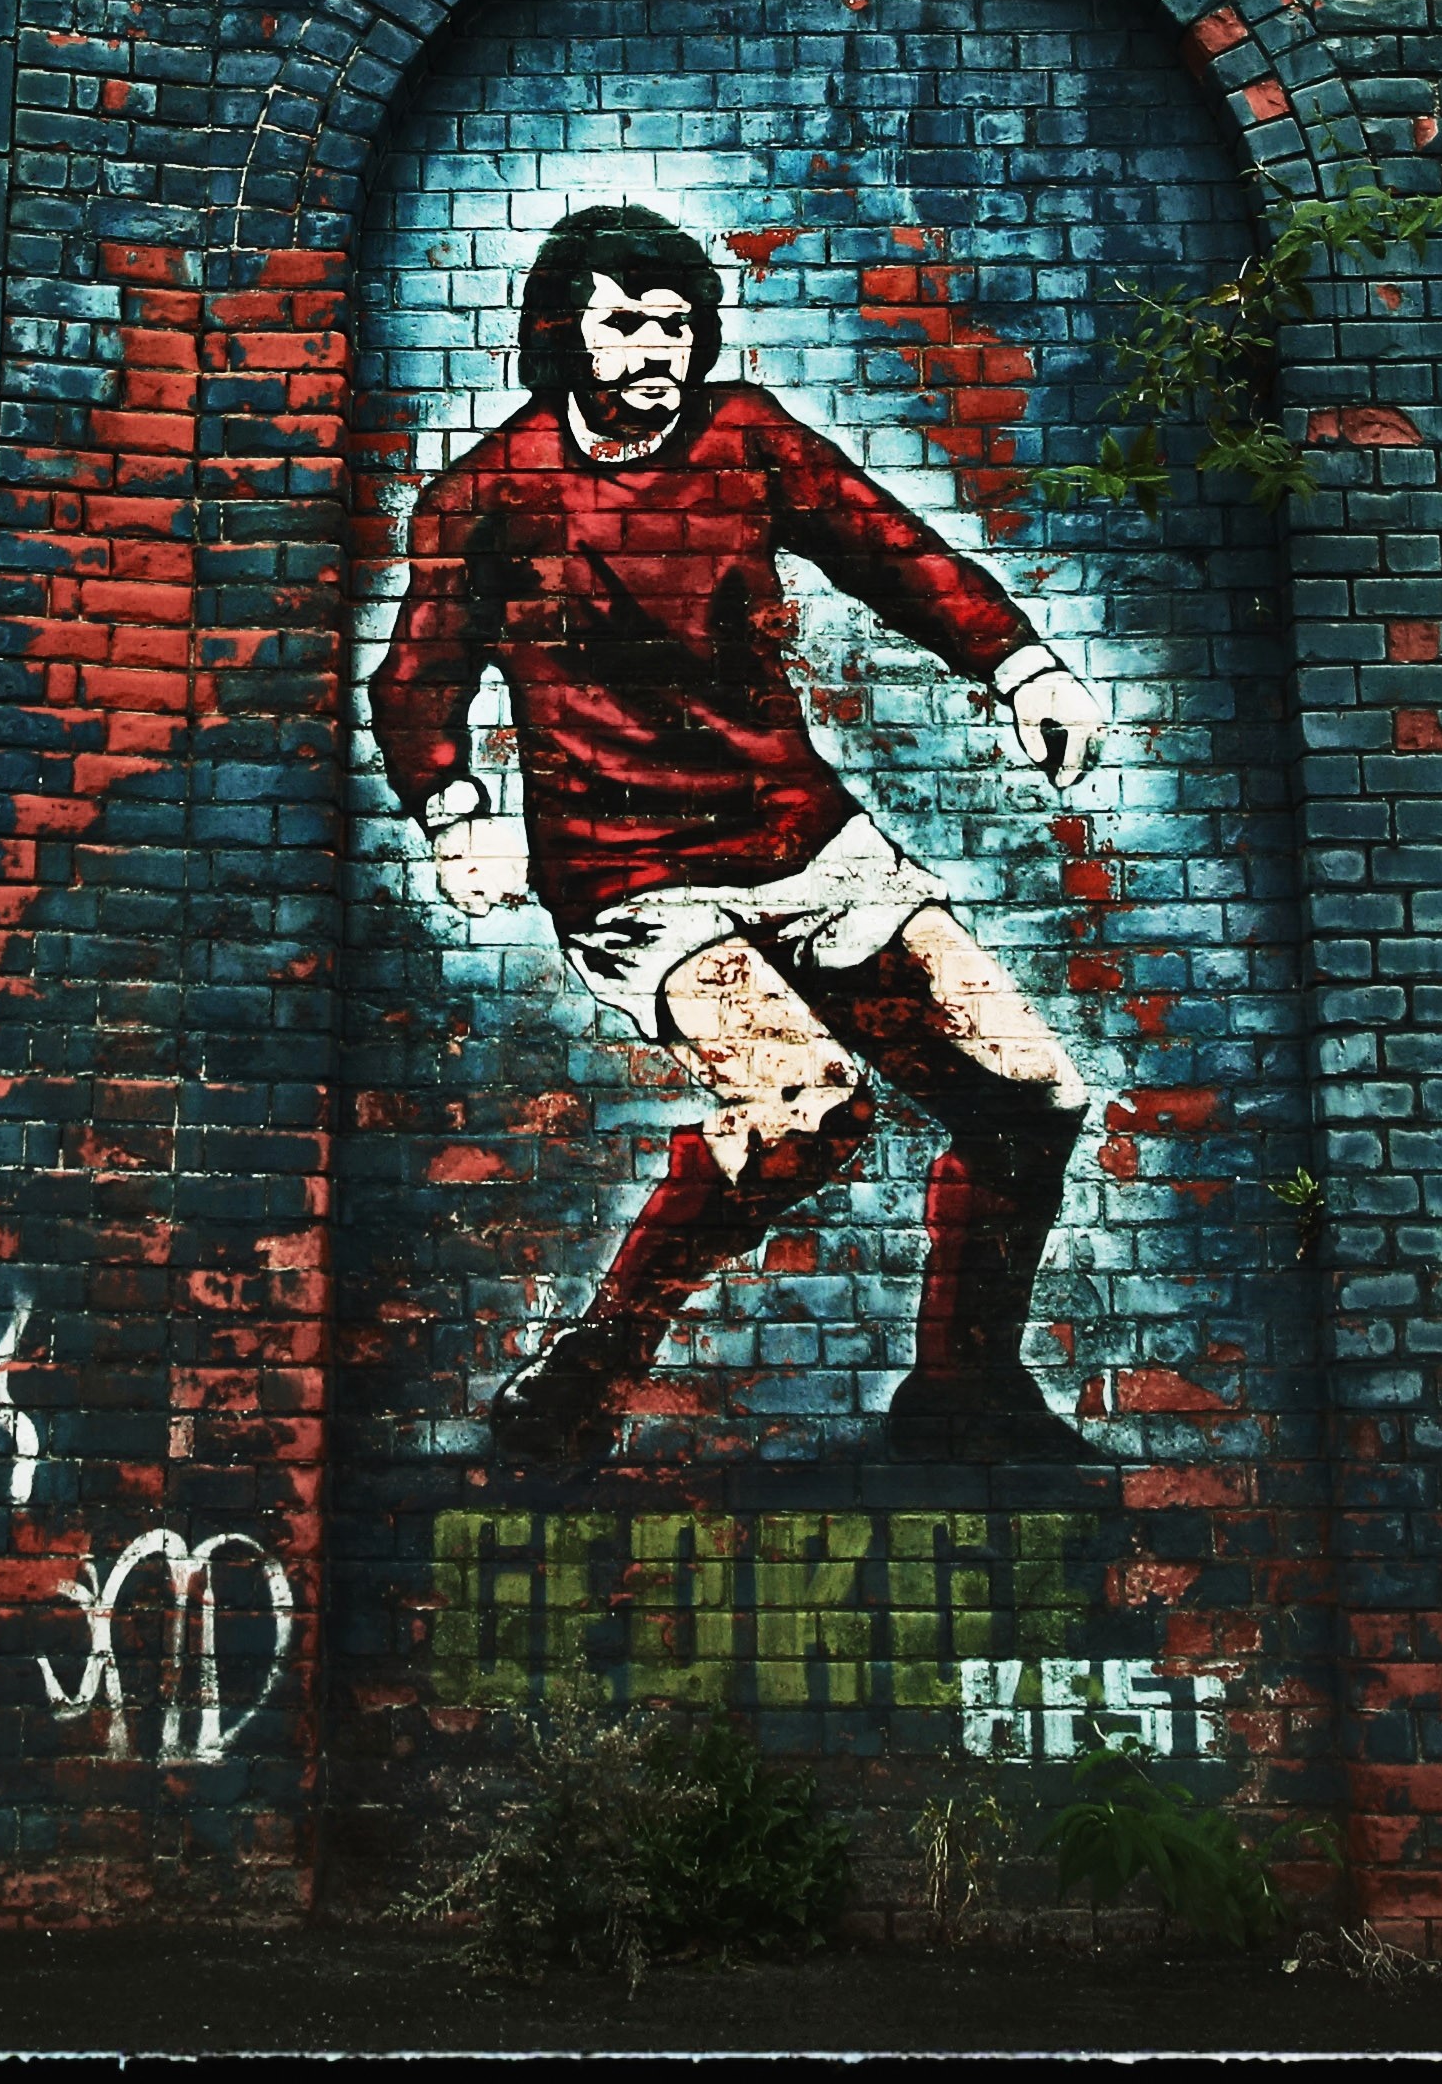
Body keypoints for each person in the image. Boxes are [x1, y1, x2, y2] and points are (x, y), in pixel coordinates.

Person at [366, 201, 1119, 1468]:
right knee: (800, 1112)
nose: (658, 352)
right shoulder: (491, 495)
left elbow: (889, 546)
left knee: (1032, 1094)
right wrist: (453, 808)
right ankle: (591, 1366)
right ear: (563, 336)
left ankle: (962, 1393)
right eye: (626, 327)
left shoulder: (746, 438)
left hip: (804, 841)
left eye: (678, 326)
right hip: (635, 870)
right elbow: (416, 678)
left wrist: (1019, 663)